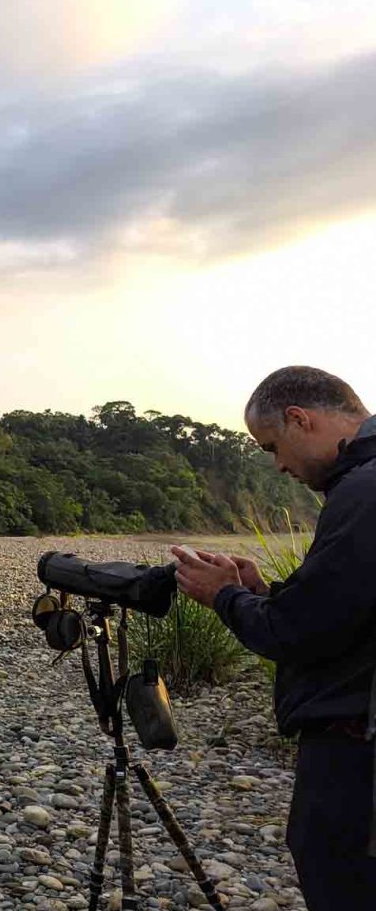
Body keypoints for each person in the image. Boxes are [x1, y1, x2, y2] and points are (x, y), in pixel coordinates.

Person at [170, 365, 376, 910]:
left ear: (298, 418)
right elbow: (349, 611)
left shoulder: (364, 491)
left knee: (343, 881)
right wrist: (260, 590)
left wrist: (224, 597)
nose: (279, 464)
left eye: (271, 448)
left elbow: (301, 632)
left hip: (357, 754)